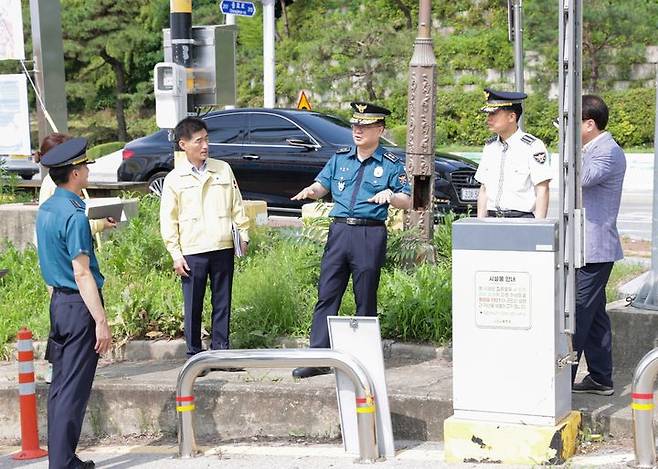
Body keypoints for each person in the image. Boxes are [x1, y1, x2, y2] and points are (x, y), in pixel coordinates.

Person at [290, 101, 412, 379]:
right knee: (327, 293)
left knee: (365, 296)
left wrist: (391, 197)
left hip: (369, 233)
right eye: (355, 125)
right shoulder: (340, 157)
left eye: (365, 126)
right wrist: (311, 190)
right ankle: (318, 356)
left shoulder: (392, 164)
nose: (357, 130)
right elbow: (323, 186)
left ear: (379, 130)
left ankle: (364, 359)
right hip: (340, 231)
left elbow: (408, 199)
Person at [35, 138, 112, 469]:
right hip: (79, 306)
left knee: (60, 386)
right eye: (85, 167)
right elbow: (82, 274)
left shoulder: (47, 209)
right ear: (76, 173)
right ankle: (63, 464)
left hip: (59, 304)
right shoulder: (75, 216)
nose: (87, 171)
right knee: (73, 390)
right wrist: (101, 321)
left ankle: (62, 459)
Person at [160, 117, 250, 366]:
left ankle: (222, 352)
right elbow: (169, 220)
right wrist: (175, 253)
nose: (205, 146)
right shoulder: (174, 180)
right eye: (198, 141)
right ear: (183, 144)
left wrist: (243, 234)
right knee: (193, 305)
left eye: (206, 139)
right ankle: (194, 355)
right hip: (193, 250)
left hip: (222, 245)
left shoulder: (222, 169)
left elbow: (237, 205)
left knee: (222, 302)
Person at [572, 95, 626, 396]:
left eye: (573, 124)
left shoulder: (608, 151)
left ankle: (562, 380)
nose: (569, 130)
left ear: (589, 124)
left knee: (578, 312)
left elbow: (584, 178)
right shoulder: (593, 148)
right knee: (594, 316)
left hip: (595, 248)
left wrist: (569, 147)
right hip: (586, 247)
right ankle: (601, 378)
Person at [474, 88, 552, 218]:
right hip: (492, 220)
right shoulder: (490, 146)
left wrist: (539, 227)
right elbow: (484, 189)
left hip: (521, 220)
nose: (489, 119)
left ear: (512, 117)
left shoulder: (532, 146)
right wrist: (480, 223)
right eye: (488, 114)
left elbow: (542, 189)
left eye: (494, 114)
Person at [36, 133, 117, 235]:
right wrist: (100, 224)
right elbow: (71, 228)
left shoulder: (58, 183)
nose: (87, 170)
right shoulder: (54, 184)